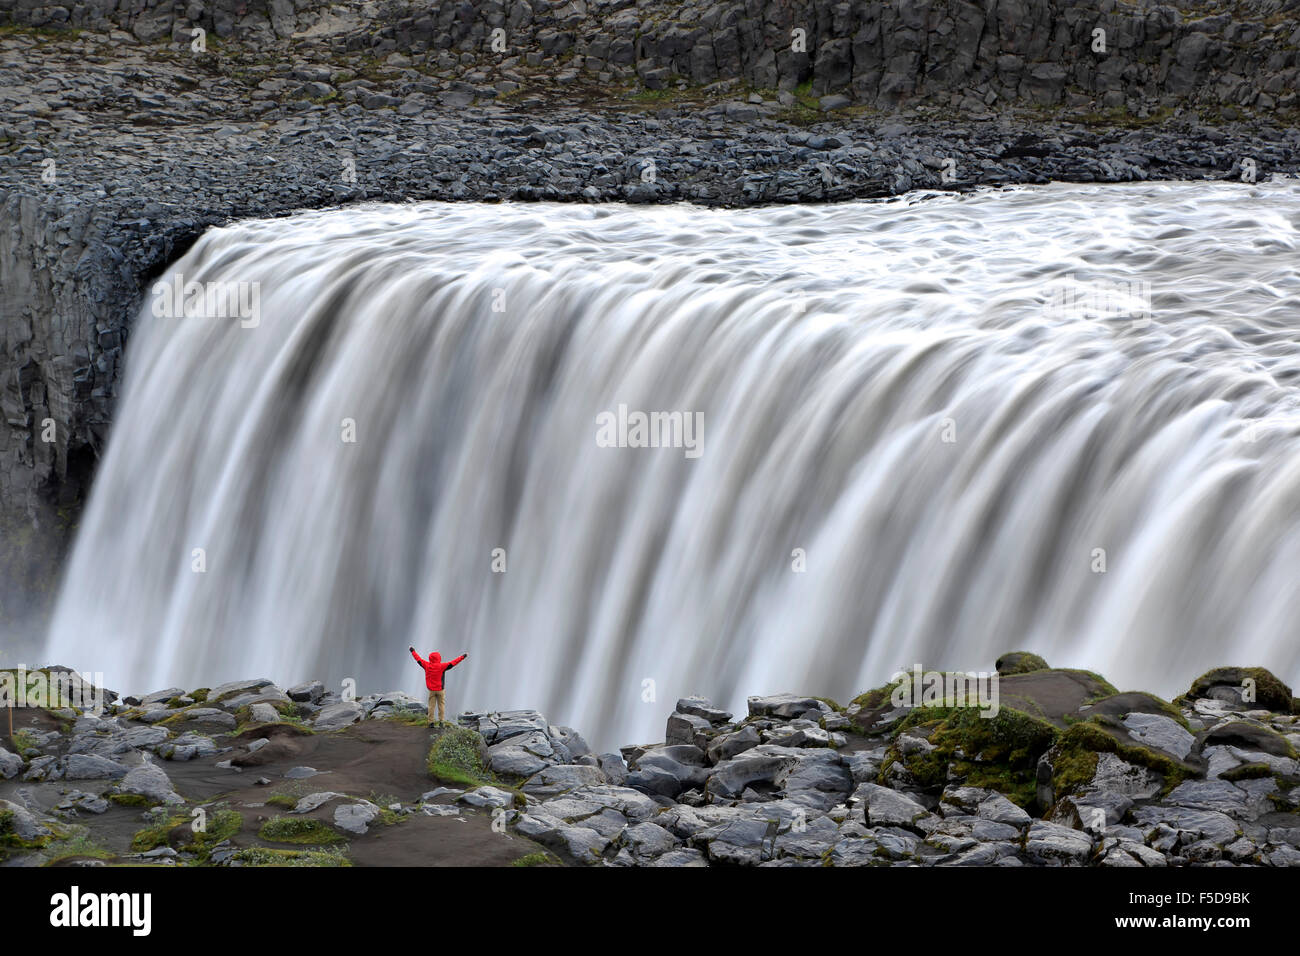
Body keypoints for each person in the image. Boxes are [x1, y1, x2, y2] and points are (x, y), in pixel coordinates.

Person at [409, 646, 467, 726]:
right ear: (439, 658)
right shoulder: (442, 666)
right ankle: (441, 722)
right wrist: (463, 656)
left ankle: (431, 722)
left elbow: (418, 659)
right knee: (441, 706)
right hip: (440, 690)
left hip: (431, 690)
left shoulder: (426, 665)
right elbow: (454, 662)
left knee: (431, 706)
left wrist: (412, 651)